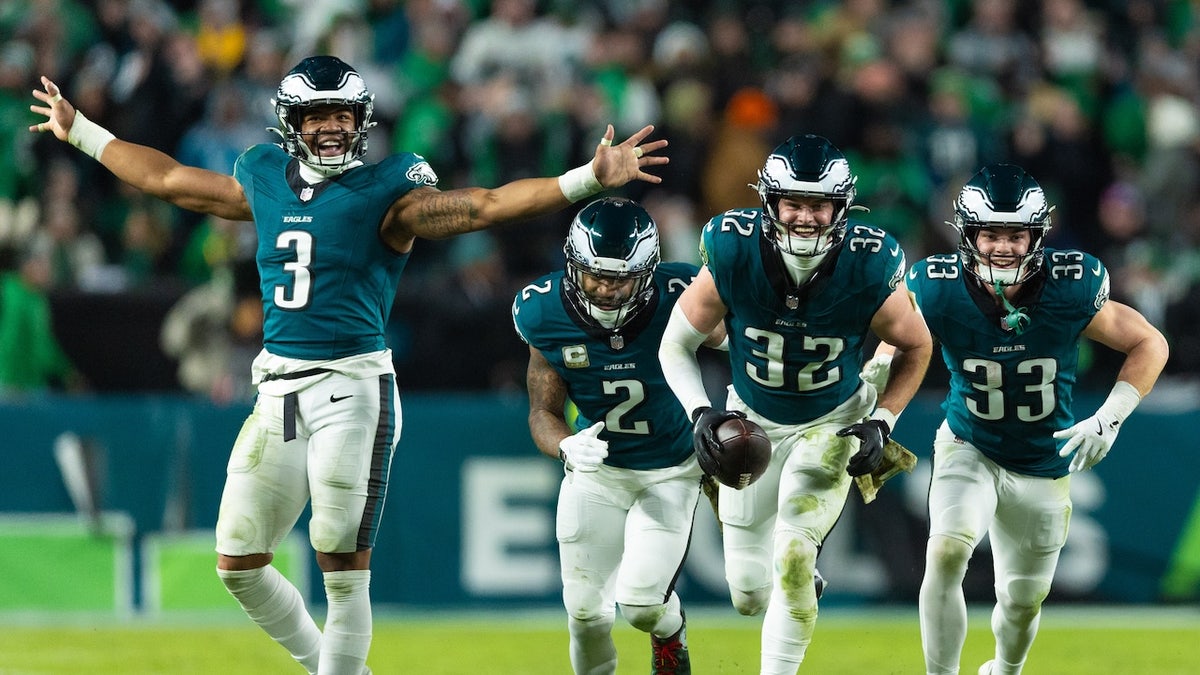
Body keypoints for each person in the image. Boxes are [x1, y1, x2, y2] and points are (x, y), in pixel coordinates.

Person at [30, 55, 667, 675]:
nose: (332, 126)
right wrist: (81, 130)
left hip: (352, 387)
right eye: (317, 114)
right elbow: (168, 179)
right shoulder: (263, 175)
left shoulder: (387, 188)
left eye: (342, 113)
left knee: (340, 559)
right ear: (290, 121)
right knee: (238, 562)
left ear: (362, 119)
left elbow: (482, 206)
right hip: (276, 388)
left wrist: (585, 177)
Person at [658, 134, 933, 673]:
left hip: (832, 422)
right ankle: (802, 580)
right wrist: (700, 410)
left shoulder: (870, 262)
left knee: (792, 551)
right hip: (751, 420)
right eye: (794, 203)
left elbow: (917, 343)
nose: (805, 217)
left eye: (818, 205)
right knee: (748, 594)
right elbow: (677, 343)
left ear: (840, 208)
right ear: (770, 203)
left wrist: (884, 417)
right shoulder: (734, 249)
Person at [880, 163, 1169, 675]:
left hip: (1042, 461)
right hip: (969, 444)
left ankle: (1006, 670)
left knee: (1021, 601)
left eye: (1016, 235)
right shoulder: (937, 284)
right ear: (969, 234)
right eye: (991, 233)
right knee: (946, 552)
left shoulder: (1071, 285)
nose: (1003, 247)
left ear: (1037, 236)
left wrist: (1111, 417)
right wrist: (875, 395)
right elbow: (896, 341)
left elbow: (1148, 341)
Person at [512, 197, 726, 675]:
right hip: (599, 475)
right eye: (595, 275)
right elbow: (542, 412)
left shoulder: (680, 292)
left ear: (646, 272)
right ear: (573, 266)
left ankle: (670, 633)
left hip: (671, 469)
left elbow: (747, 343)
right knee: (585, 613)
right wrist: (566, 444)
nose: (606, 289)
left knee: (642, 604)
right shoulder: (544, 312)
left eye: (619, 278)